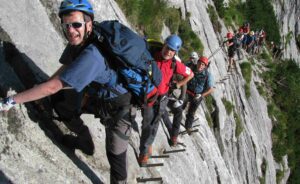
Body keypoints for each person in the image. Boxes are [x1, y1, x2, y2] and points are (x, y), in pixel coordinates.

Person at [0, 0, 132, 183]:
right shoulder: (80, 40)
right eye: (66, 25)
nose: (70, 30)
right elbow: (63, 72)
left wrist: (10, 101)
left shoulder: (92, 56)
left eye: (76, 24)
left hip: (119, 106)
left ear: (89, 24)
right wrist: (45, 88)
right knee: (61, 102)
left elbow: (53, 86)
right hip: (97, 93)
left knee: (116, 155)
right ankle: (85, 141)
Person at [138, 35, 194, 165]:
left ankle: (148, 144)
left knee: (155, 123)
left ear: (175, 53)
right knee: (147, 124)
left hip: (162, 98)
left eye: (172, 50)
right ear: (164, 45)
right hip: (149, 97)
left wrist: (179, 85)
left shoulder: (175, 64)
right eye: (168, 48)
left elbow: (190, 74)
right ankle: (144, 151)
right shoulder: (151, 56)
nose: (168, 52)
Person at [184, 56, 214, 132]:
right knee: (182, 102)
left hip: (197, 95)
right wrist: (189, 61)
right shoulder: (191, 67)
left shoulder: (208, 75)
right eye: (200, 63)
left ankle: (188, 127)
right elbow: (183, 66)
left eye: (203, 64)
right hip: (188, 91)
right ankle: (175, 112)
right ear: (197, 62)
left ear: (205, 66)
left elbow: (211, 89)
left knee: (192, 112)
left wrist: (201, 95)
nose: (200, 65)